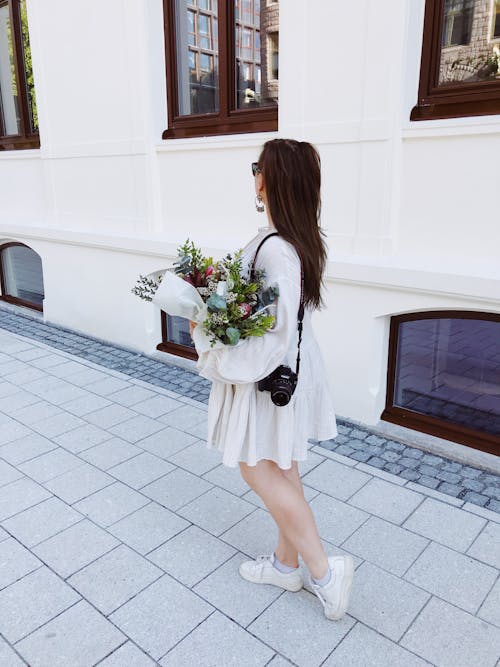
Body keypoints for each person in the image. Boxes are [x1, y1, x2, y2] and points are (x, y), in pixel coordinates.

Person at [190, 138, 354, 620]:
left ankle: (325, 571)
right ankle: (286, 565)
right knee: (282, 465)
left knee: (255, 465)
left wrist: (215, 350)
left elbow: (272, 334)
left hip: (271, 376)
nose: (254, 175)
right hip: (291, 371)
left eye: (258, 167)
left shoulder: (277, 249)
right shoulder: (290, 239)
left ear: (273, 180)